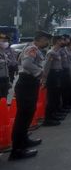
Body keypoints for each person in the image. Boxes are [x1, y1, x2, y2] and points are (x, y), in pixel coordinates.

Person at [9, 31, 51, 161]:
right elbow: (27, 64)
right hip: (26, 83)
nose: (47, 43)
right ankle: (16, 150)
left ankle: (24, 140)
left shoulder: (35, 49)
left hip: (30, 84)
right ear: (39, 39)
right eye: (45, 40)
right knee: (22, 117)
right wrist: (40, 73)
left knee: (28, 114)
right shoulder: (32, 48)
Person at [0, 33, 11, 98]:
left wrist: (8, 81)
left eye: (6, 41)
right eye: (3, 41)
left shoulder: (3, 53)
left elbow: (5, 68)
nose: (6, 43)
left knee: (4, 99)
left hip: (4, 80)